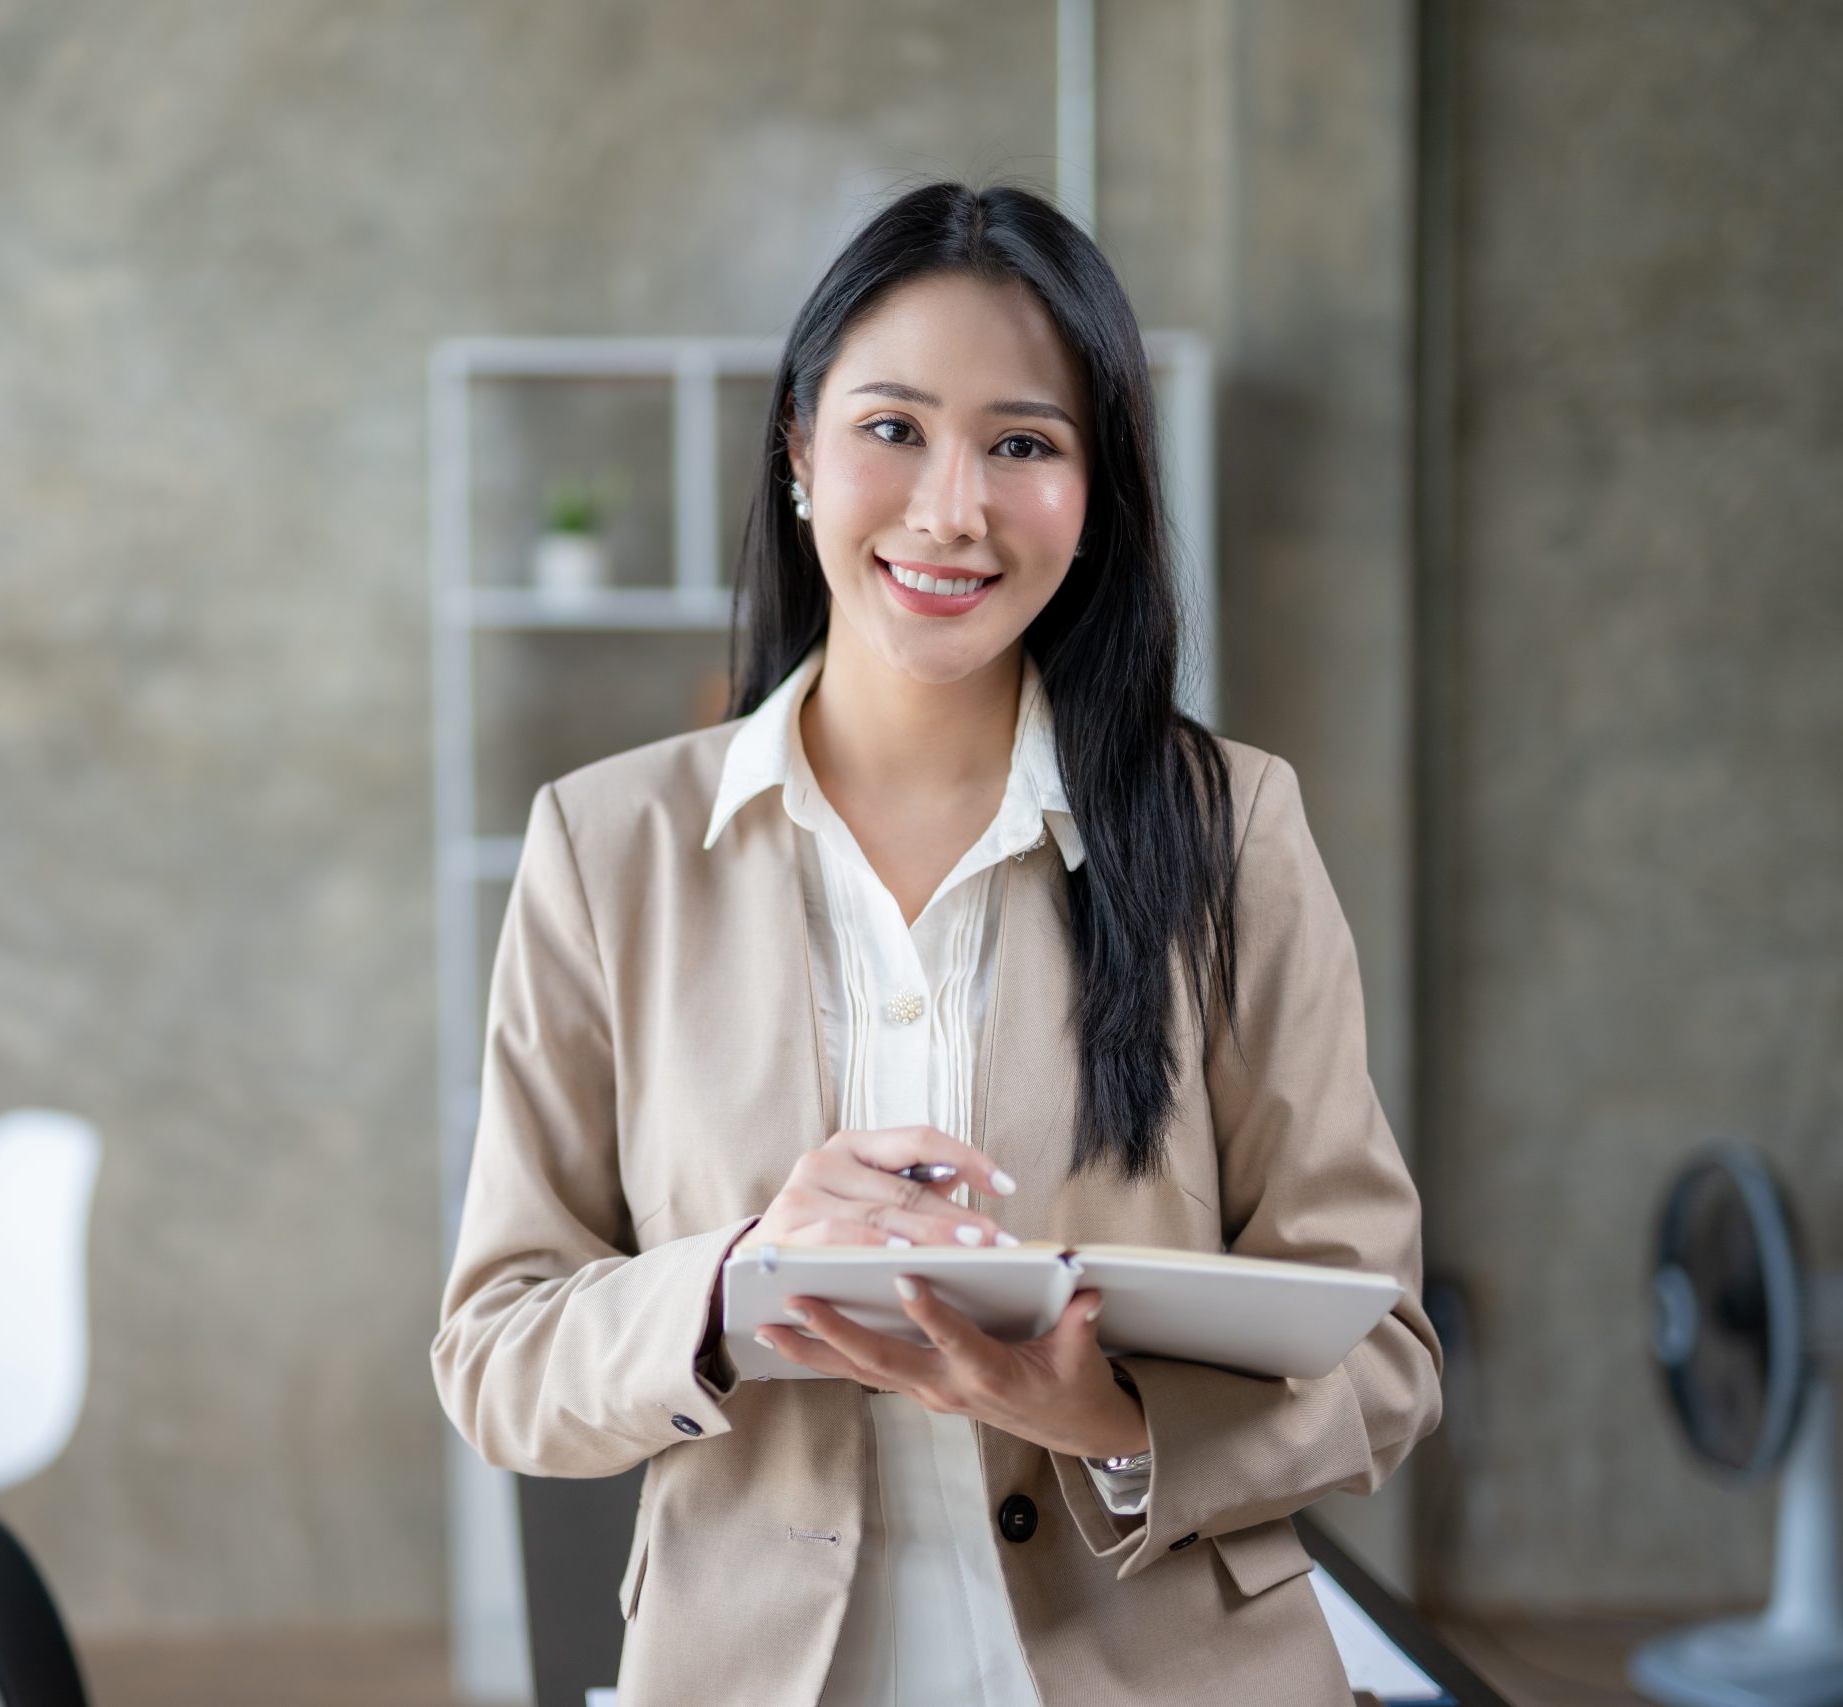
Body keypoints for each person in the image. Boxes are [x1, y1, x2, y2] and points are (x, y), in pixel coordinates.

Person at [431, 181, 1442, 1705]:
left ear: (1097, 491)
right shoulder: (606, 846)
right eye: (892, 427)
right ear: (797, 450)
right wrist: (736, 1278)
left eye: (1023, 444)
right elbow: (499, 1358)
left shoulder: (1229, 827)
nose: (951, 506)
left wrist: (1108, 1413)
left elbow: (1387, 1357)